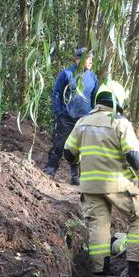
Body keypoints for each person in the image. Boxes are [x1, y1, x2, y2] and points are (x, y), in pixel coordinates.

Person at [62, 81, 139, 277]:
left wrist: (82, 162)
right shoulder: (120, 121)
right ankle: (135, 264)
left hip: (89, 186)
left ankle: (100, 271)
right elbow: (133, 154)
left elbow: (68, 153)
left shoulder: (82, 122)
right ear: (118, 101)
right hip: (116, 183)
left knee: (98, 226)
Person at [45, 47, 99, 185]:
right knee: (59, 144)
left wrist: (93, 115)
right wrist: (59, 112)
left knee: (79, 148)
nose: (90, 61)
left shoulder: (93, 77)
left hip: (84, 119)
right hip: (66, 117)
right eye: (88, 58)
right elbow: (57, 93)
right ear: (78, 59)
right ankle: (51, 168)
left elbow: (94, 98)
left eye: (91, 58)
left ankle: (75, 177)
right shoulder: (67, 74)